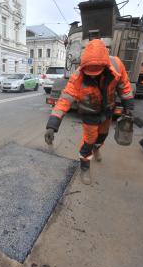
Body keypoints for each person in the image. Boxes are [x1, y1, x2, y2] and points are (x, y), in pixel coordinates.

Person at [44, 39, 134, 185]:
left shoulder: (116, 65)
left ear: (105, 65)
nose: (92, 75)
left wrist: (128, 106)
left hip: (107, 110)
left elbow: (124, 86)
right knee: (89, 141)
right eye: (89, 72)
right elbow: (64, 100)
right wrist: (52, 125)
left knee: (103, 135)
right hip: (90, 113)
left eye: (95, 72)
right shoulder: (78, 76)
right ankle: (85, 167)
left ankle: (97, 148)